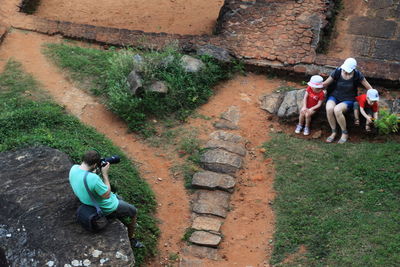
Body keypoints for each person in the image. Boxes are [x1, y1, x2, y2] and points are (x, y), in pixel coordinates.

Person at [69, 150, 144, 248]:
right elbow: (107, 195)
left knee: (119, 197)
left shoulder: (73, 168)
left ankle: (121, 215)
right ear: (95, 164)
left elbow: (85, 178)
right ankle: (132, 239)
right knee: (134, 211)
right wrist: (105, 174)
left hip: (87, 201)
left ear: (84, 159)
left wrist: (93, 172)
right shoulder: (93, 179)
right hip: (106, 207)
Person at [323, 58, 372, 143]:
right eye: (344, 69)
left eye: (348, 70)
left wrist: (371, 98)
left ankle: (344, 133)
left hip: (349, 99)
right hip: (335, 96)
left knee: (337, 110)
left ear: (353, 69)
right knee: (329, 108)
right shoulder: (338, 71)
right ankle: (334, 132)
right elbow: (325, 83)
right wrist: (314, 87)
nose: (345, 71)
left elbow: (369, 88)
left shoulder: (357, 75)